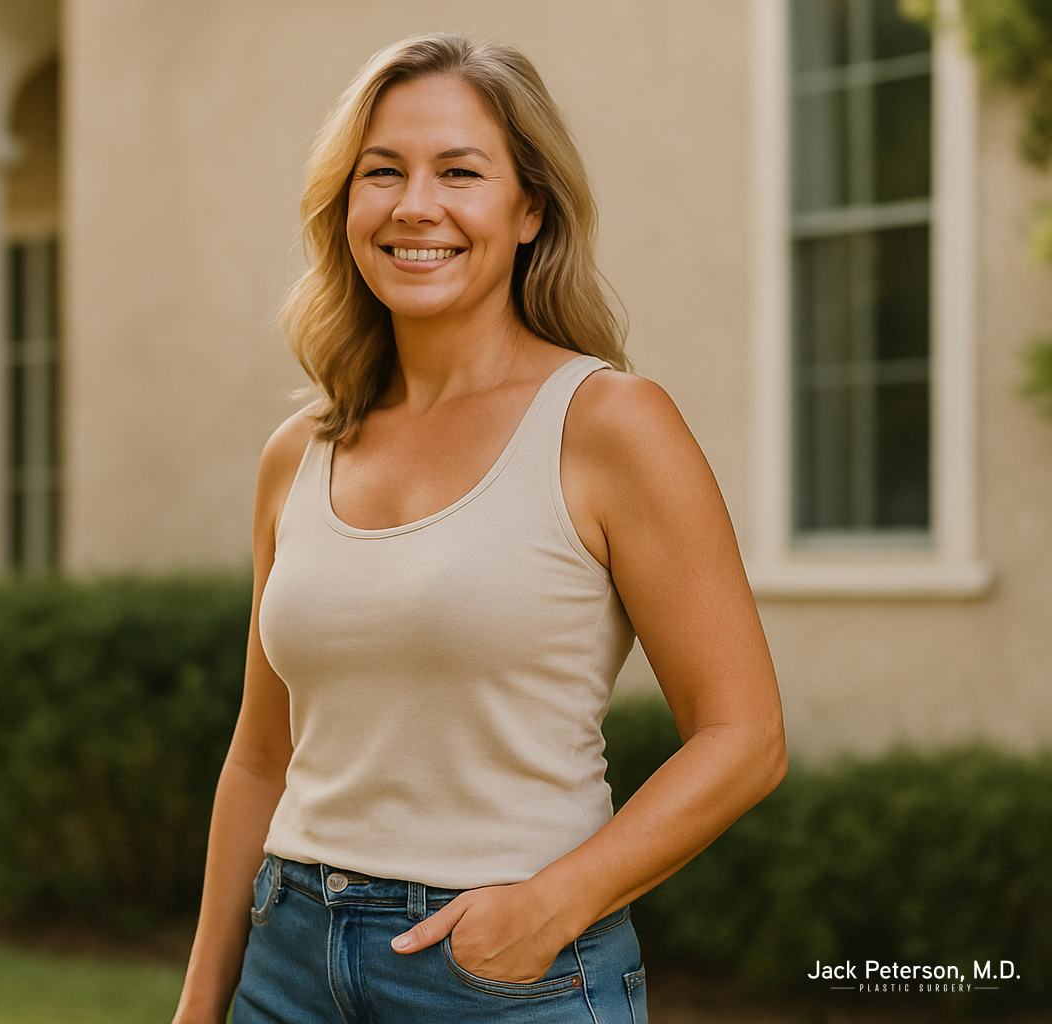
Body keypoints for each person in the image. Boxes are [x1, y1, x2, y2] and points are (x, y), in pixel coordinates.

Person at [172, 32, 786, 1024]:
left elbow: (745, 737)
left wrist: (548, 908)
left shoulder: (609, 423)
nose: (417, 205)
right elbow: (260, 756)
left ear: (528, 208)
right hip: (284, 962)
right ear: (346, 206)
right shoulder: (299, 451)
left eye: (460, 171)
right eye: (383, 172)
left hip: (501, 978)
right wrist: (203, 1002)